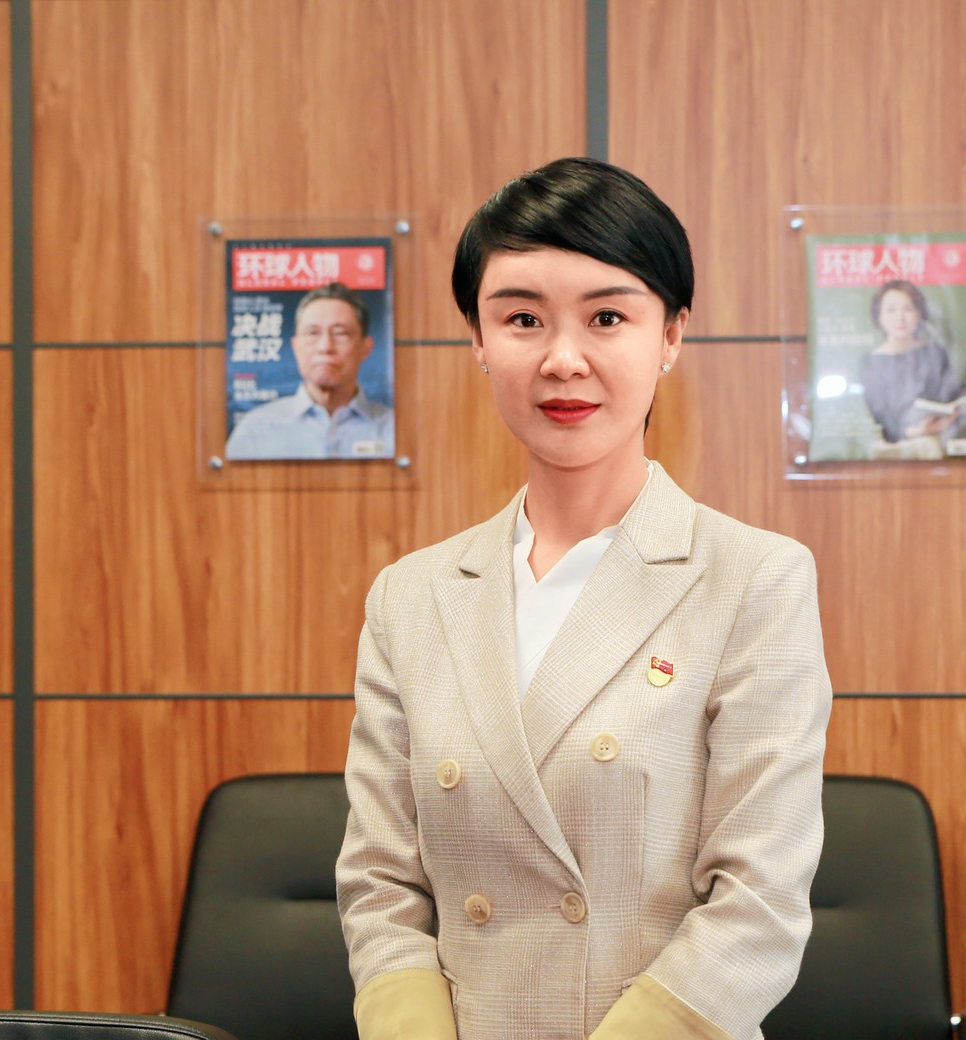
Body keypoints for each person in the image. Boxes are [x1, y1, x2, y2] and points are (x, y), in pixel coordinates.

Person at [336, 158, 832, 1040]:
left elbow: (759, 900)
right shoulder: (411, 598)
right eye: (522, 319)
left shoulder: (755, 579)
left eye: (607, 317)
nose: (563, 359)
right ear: (478, 338)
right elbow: (380, 883)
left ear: (671, 335)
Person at [225, 282, 394, 459]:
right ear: (295, 346)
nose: (325, 347)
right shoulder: (255, 430)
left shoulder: (395, 428)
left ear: (366, 347)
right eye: (312, 333)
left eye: (340, 333)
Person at [859, 279, 966, 452]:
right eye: (891, 310)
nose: (900, 317)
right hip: (898, 446)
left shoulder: (935, 351)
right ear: (880, 317)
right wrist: (913, 432)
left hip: (941, 437)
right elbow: (881, 417)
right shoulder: (871, 362)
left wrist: (956, 409)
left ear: (919, 314)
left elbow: (950, 392)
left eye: (908, 309)